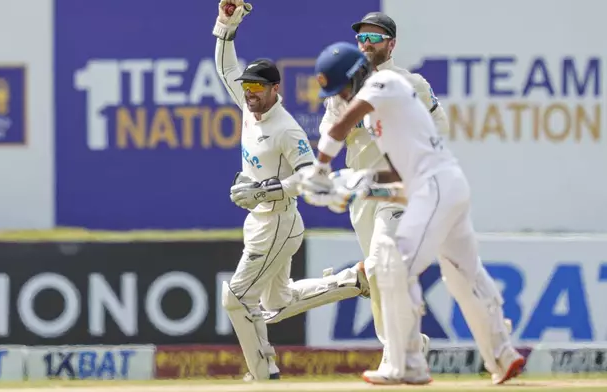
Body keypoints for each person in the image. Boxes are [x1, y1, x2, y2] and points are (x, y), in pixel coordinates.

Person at [299, 41, 524, 385]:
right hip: (441, 186)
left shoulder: (384, 84)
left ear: (357, 74)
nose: (340, 97)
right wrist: (356, 184)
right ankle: (503, 356)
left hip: (435, 188)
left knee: (393, 265)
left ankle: (407, 365)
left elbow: (339, 128)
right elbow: (398, 176)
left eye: (342, 88)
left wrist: (321, 169)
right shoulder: (383, 115)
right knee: (464, 276)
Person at [212, 0, 370, 381]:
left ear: (274, 89)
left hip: (279, 222)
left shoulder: (286, 128)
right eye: (247, 86)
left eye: (257, 88)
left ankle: (263, 374)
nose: (249, 93)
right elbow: (225, 68)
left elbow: (309, 175)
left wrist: (263, 191)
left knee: (236, 299)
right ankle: (352, 281)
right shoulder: (250, 108)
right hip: (260, 221)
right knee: (276, 302)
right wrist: (225, 24)